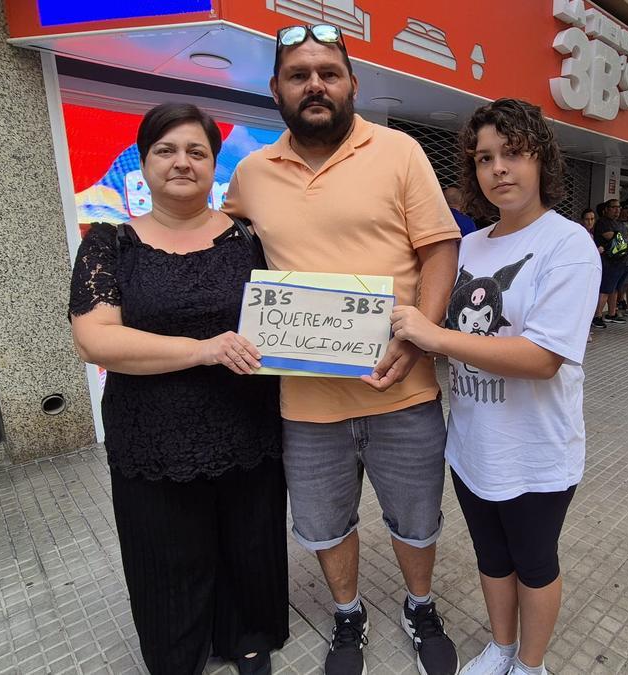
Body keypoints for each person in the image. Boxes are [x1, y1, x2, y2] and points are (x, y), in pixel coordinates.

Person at [222, 24, 462, 675]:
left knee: (417, 517)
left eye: (328, 73)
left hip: (402, 388)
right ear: (276, 90)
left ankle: (420, 605)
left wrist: (422, 332)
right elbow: (224, 253)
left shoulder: (400, 151)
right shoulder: (251, 173)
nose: (315, 85)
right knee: (326, 523)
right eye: (298, 75)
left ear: (352, 84)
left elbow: (440, 247)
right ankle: (348, 612)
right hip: (306, 402)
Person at [69, 103, 288, 675]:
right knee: (165, 550)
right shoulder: (111, 244)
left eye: (197, 151)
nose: (182, 162)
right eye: (166, 150)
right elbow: (95, 339)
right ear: (143, 163)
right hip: (152, 434)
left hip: (246, 424)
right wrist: (202, 350)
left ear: (215, 164)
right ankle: (178, 654)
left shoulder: (249, 238)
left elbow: (291, 313)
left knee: (247, 540)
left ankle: (246, 636)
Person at [388, 98, 599, 675]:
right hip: (473, 442)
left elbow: (543, 358)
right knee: (492, 557)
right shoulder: (472, 244)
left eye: (513, 153)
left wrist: (436, 337)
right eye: (484, 158)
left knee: (534, 562)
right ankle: (502, 647)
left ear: (541, 159)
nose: (499, 168)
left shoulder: (568, 245)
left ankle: (530, 665)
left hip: (536, 449)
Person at [592, 199, 628, 327]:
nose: (617, 210)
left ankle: (612, 313)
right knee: (605, 289)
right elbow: (610, 236)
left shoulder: (619, 223)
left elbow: (625, 237)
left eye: (619, 207)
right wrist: (625, 239)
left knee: (615, 289)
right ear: (606, 209)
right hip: (609, 261)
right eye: (614, 207)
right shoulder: (603, 222)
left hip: (622, 261)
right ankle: (597, 316)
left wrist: (623, 238)